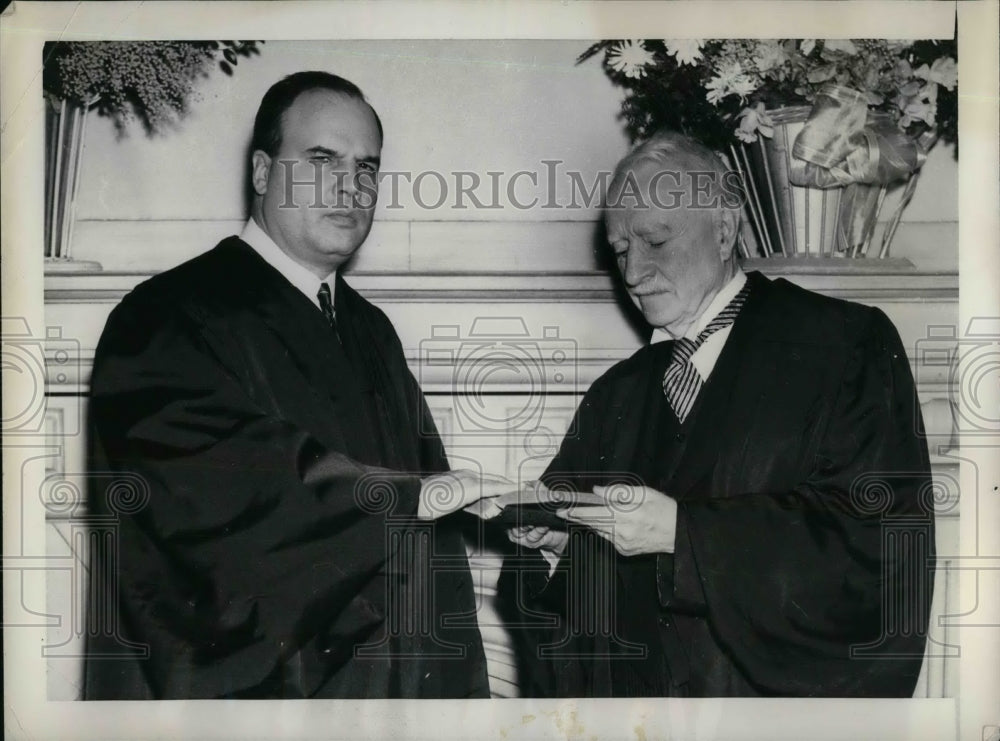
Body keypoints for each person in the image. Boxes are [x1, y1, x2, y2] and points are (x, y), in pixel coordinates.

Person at [83, 71, 507, 699]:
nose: (350, 186)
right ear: (261, 172)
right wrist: (403, 499)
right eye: (320, 159)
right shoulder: (167, 315)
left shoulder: (370, 330)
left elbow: (430, 539)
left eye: (367, 167)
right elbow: (221, 494)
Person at [499, 131, 935, 697]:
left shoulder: (846, 346)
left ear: (725, 229)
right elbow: (566, 626)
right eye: (621, 250)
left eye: (655, 240)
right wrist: (561, 546)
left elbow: (876, 553)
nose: (632, 275)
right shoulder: (617, 393)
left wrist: (685, 535)